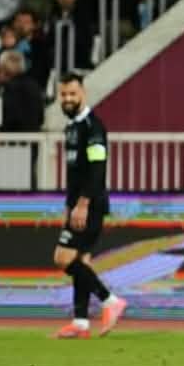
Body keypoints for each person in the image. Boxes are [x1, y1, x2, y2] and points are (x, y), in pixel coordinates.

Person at [52, 73, 127, 338]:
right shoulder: (71, 127)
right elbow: (75, 174)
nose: (68, 99)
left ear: (83, 93)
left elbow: (97, 170)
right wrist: (69, 205)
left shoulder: (93, 127)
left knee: (63, 258)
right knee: (81, 261)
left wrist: (82, 204)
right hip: (77, 204)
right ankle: (81, 323)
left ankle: (110, 301)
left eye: (73, 93)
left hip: (91, 204)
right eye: (64, 94)